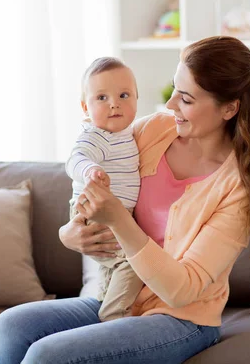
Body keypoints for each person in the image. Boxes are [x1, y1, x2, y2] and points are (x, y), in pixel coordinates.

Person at [0, 36, 250, 364]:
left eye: (187, 99)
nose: (170, 104)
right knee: (13, 325)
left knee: (46, 355)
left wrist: (118, 219)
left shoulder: (238, 188)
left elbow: (182, 290)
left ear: (229, 108)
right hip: (116, 296)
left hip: (180, 318)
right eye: (174, 89)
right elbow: (95, 174)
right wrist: (70, 234)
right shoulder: (154, 131)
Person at [65, 57, 144, 322]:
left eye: (124, 95)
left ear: (136, 99)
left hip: (115, 215)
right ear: (85, 107)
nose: (114, 103)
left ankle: (103, 305)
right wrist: (90, 170)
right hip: (94, 212)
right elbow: (75, 159)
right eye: (101, 97)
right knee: (134, 262)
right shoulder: (97, 136)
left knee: (112, 266)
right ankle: (113, 320)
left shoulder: (128, 133)